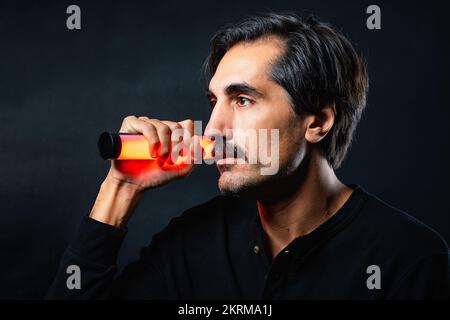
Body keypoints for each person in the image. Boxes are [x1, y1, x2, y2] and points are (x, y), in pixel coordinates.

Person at [47, 13, 449, 299]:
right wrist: (120, 188)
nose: (213, 128)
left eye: (242, 99)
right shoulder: (192, 242)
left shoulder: (407, 257)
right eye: (213, 101)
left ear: (318, 122)